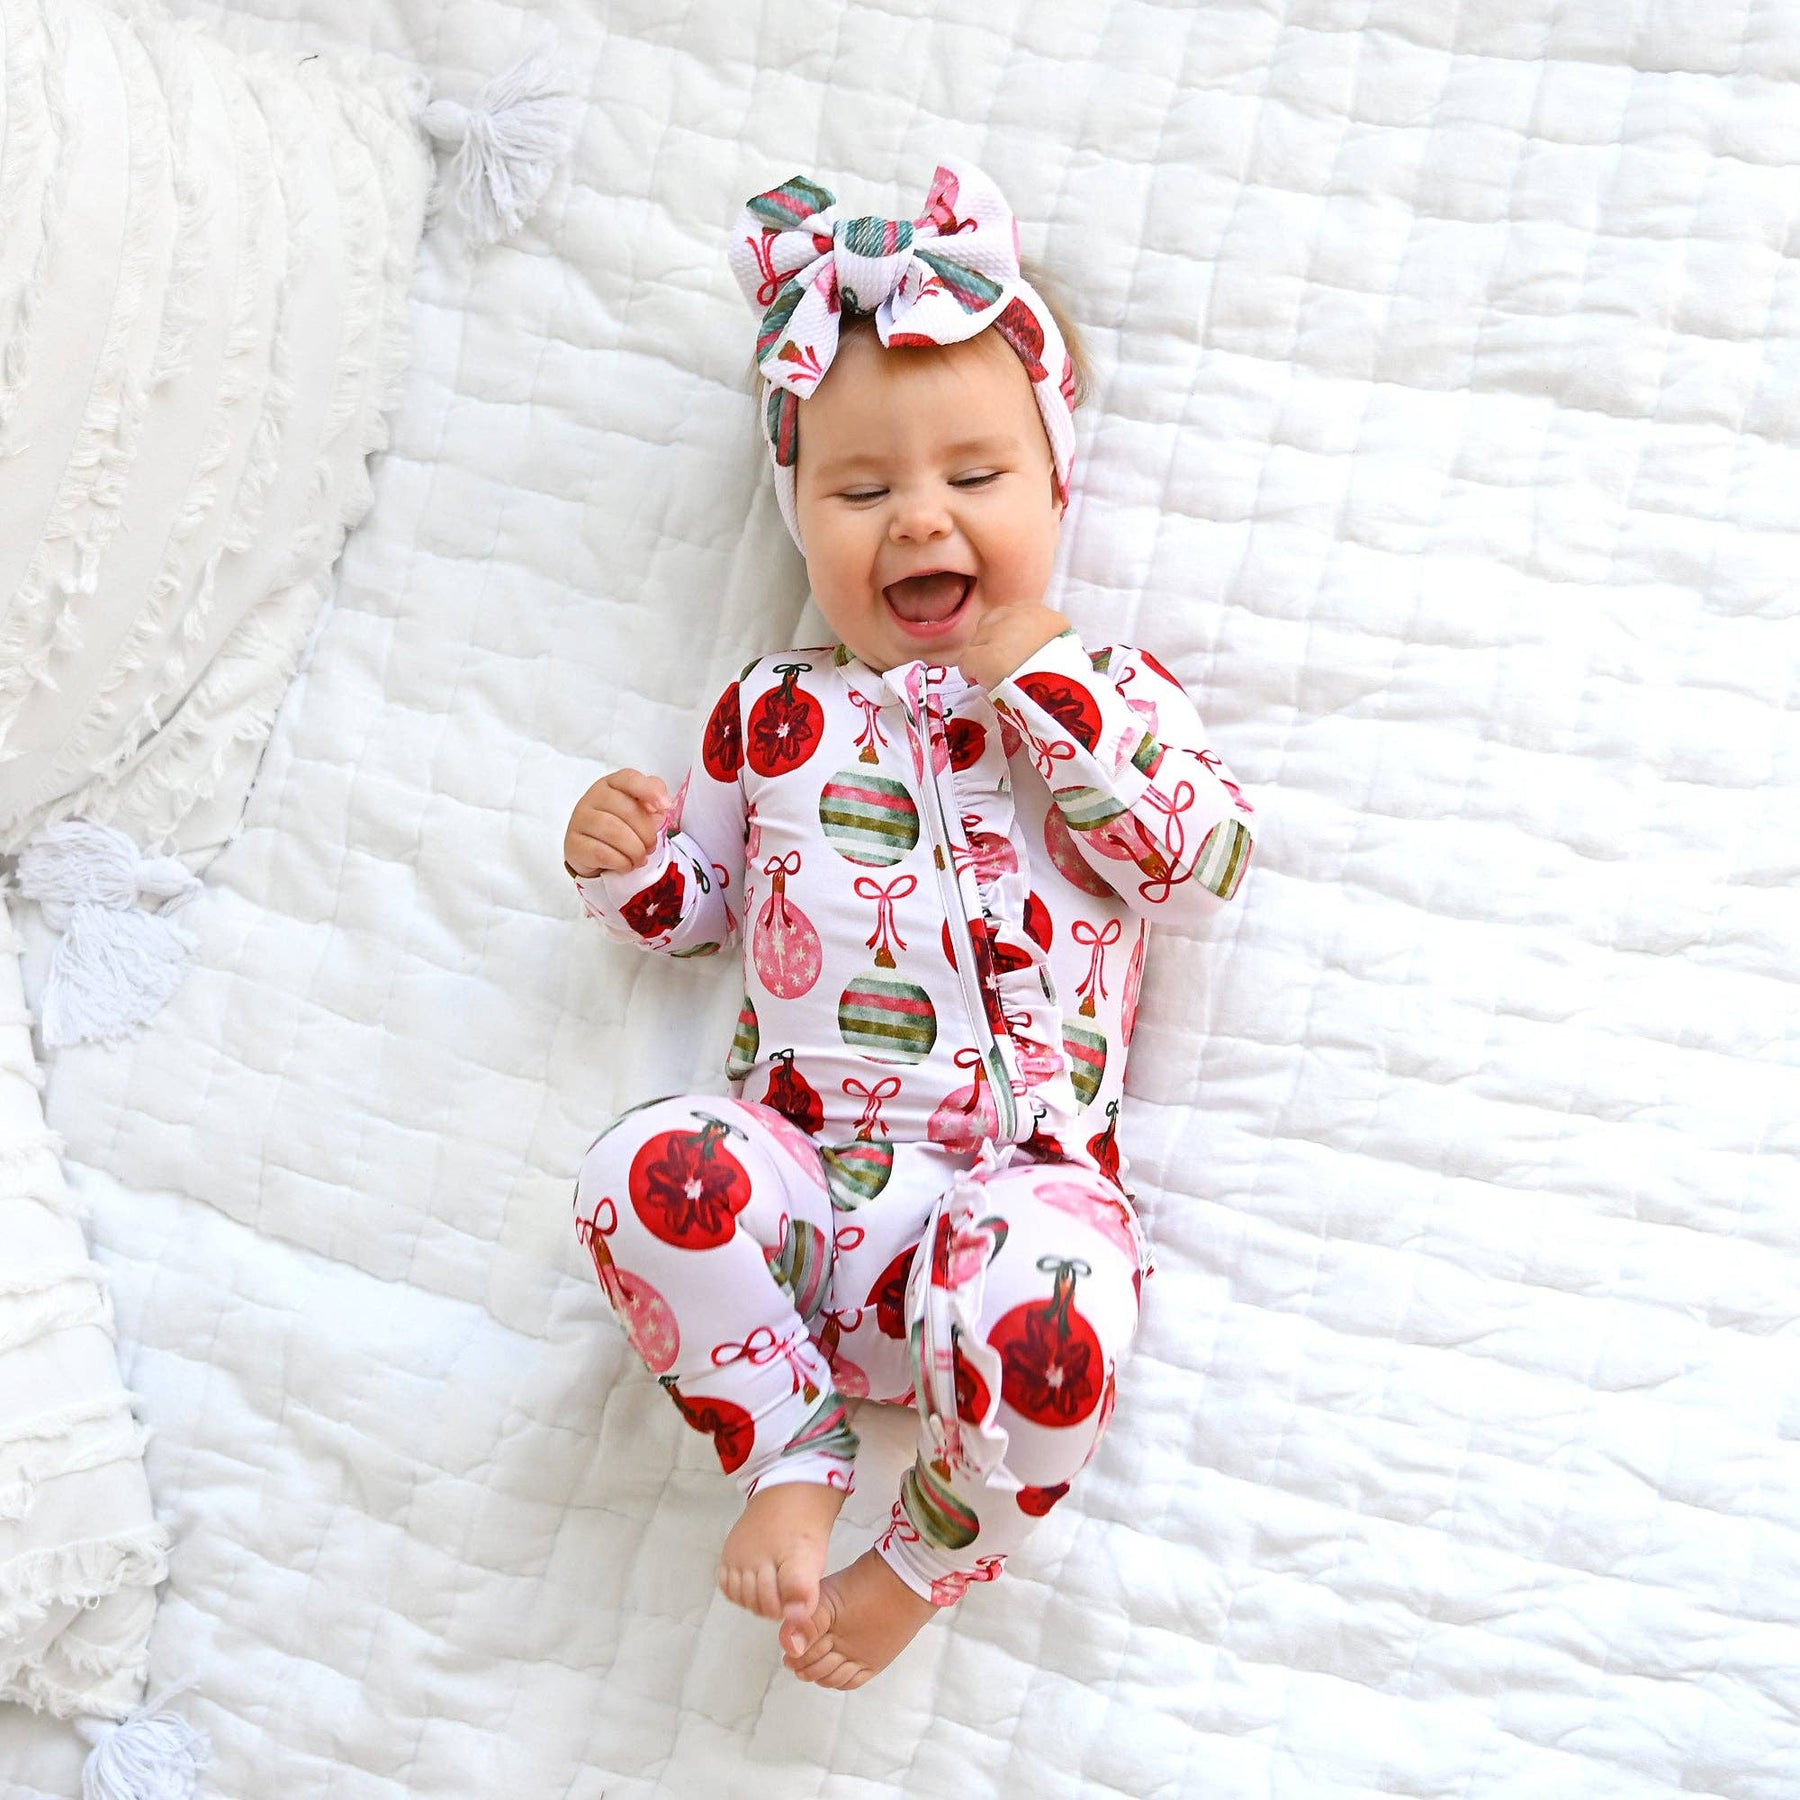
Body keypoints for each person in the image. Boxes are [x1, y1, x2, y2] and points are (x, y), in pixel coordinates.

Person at [563, 158, 1259, 1690]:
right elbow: (700, 912)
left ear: (1056, 490)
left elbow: (1199, 860)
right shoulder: (775, 710)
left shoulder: (1111, 696)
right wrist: (627, 865)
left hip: (1019, 1198)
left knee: (1062, 1320)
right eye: (863, 493)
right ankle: (788, 1442)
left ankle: (926, 1554)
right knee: (639, 1173)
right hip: (806, 1189)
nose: (919, 519)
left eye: (976, 478)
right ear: (798, 516)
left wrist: (1056, 696)